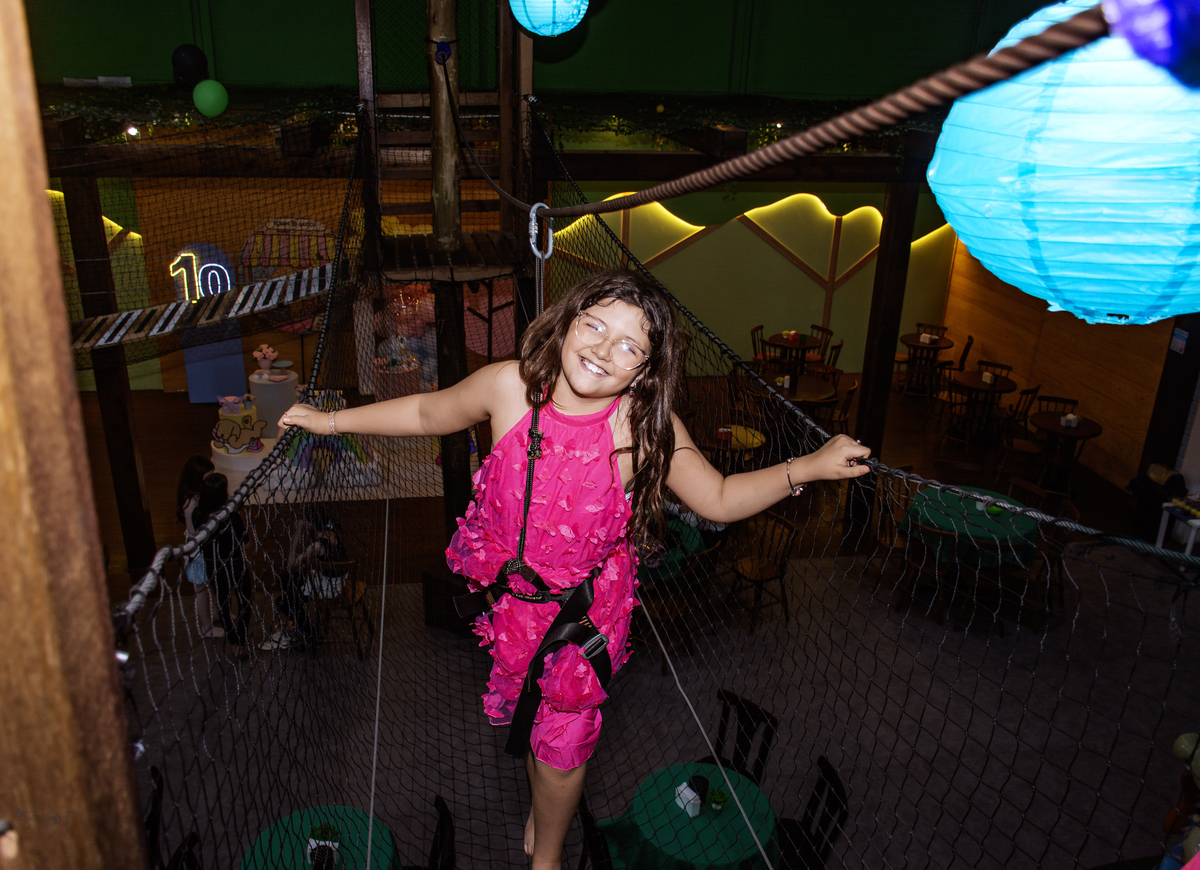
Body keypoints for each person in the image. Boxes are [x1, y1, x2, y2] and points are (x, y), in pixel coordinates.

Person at [280, 270, 870, 869]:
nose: (604, 349)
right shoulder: (509, 387)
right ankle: (545, 804)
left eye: (629, 345)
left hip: (583, 616)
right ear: (566, 323)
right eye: (595, 326)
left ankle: (549, 858)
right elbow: (431, 412)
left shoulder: (643, 428)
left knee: (561, 749)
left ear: (645, 370)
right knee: (533, 721)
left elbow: (716, 497)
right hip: (514, 607)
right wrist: (329, 423)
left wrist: (809, 467)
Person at [261, 508, 349, 651]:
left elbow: (291, 564)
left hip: (328, 587)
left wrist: (297, 533)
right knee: (286, 581)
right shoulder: (333, 534)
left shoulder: (317, 546)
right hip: (335, 579)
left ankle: (310, 629)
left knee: (282, 600)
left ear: (311, 523)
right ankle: (299, 617)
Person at [192, 472, 253, 658]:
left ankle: (234, 642)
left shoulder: (198, 515)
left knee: (223, 605)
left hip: (214, 566)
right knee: (245, 602)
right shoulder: (230, 517)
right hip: (235, 564)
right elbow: (247, 544)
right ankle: (241, 642)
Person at [176, 455, 220, 637]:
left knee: (209, 583)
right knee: (201, 589)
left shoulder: (198, 495)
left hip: (203, 546)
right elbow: (193, 532)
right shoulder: (190, 502)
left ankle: (215, 614)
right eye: (207, 477)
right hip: (197, 551)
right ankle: (206, 628)